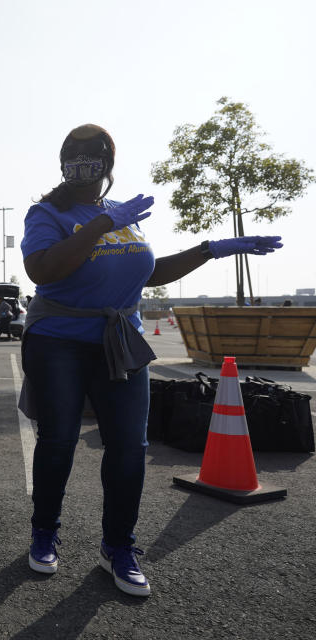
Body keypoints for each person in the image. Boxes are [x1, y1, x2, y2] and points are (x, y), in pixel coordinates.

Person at [19, 124, 282, 597]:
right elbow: (42, 269)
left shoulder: (124, 217)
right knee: (58, 440)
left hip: (120, 339)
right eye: (71, 155)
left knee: (128, 447)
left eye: (90, 155)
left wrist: (210, 250)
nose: (80, 163)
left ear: (108, 163)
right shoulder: (47, 213)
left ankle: (118, 546)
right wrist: (100, 223)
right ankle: (44, 530)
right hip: (58, 339)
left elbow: (147, 270)